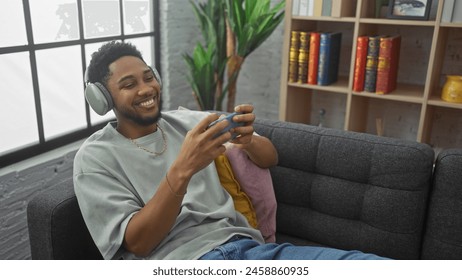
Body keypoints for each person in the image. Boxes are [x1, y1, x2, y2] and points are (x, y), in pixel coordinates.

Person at [74, 41, 386, 260]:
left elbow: (269, 157)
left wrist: (247, 140)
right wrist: (183, 169)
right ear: (102, 99)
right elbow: (138, 244)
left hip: (249, 252)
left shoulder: (188, 121)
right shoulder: (95, 159)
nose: (146, 89)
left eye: (148, 77)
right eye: (129, 84)